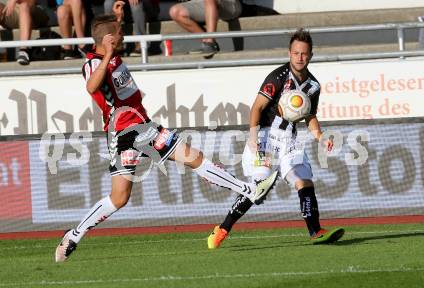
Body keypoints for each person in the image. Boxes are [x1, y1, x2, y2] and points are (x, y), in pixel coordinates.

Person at [54, 14, 278, 262]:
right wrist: (106, 53)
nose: (123, 35)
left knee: (180, 165)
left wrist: (116, 16)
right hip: (126, 132)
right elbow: (91, 87)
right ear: (107, 39)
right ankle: (249, 189)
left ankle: (73, 235)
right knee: (125, 194)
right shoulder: (93, 64)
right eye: (119, 32)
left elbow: (108, 44)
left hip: (142, 127)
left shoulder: (112, 56)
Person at [207, 28, 345, 249]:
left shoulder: (314, 86)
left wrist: (319, 136)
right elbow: (256, 107)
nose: (300, 57)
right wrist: (253, 137)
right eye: (296, 53)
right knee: (258, 189)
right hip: (265, 138)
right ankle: (221, 229)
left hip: (289, 141)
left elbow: (309, 115)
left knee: (304, 181)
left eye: (304, 53)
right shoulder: (278, 77)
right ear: (289, 53)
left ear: (311, 55)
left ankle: (316, 231)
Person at [169, 0, 242, 58]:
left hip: (230, 4)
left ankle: (210, 42)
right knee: (175, 11)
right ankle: (207, 42)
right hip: (202, 3)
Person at [0, 0, 49, 65]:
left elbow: (32, 2)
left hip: (35, 11)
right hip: (12, 11)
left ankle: (24, 51)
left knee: (24, 5)